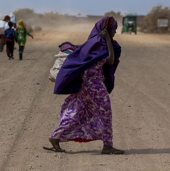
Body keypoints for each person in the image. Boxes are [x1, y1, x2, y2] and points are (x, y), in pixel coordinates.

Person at [44, 16, 124, 155]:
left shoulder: (92, 42)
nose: (115, 33)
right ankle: (107, 146)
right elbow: (110, 60)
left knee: (78, 110)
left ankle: (56, 137)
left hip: (86, 84)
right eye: (114, 30)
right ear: (107, 30)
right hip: (94, 85)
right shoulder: (100, 43)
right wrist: (108, 41)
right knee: (105, 112)